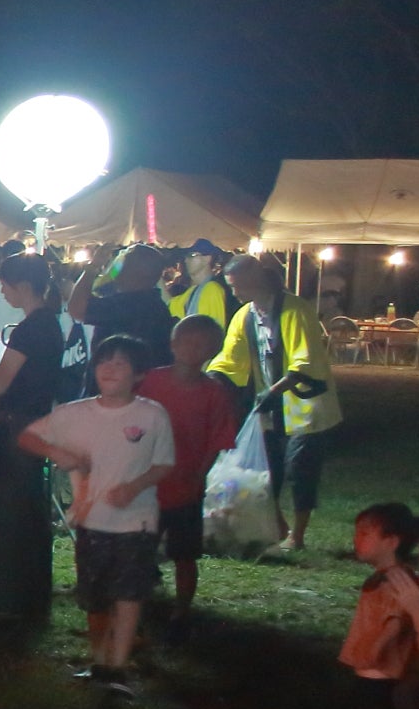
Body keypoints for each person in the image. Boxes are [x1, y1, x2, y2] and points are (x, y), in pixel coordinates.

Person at [17, 336, 175, 694]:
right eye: (104, 361)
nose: (110, 369)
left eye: (121, 363)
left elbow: (164, 463)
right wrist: (58, 453)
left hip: (136, 522)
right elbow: (28, 437)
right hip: (91, 522)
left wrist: (133, 487)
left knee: (128, 595)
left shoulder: (151, 415)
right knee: (96, 598)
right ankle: (100, 662)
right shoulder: (75, 414)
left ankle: (118, 667)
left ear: (138, 374)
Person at [0, 253, 72, 631]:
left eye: (5, 285)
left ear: (22, 286)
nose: (2, 291)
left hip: (16, 431)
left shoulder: (29, 329)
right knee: (31, 515)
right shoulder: (51, 324)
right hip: (38, 427)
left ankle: (6, 599)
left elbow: (2, 384)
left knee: (9, 516)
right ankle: (32, 596)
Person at [207, 254, 341, 556]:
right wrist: (212, 377)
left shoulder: (296, 310)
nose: (234, 292)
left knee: (300, 468)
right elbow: (230, 357)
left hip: (306, 407)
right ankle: (280, 529)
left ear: (255, 281)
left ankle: (298, 534)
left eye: (237, 286)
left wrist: (274, 391)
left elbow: (305, 360)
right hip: (271, 407)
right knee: (268, 471)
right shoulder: (245, 315)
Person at [138, 315, 241, 636]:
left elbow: (217, 440)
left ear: (213, 351)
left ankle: (181, 609)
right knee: (139, 549)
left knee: (185, 554)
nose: (194, 351)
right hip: (147, 485)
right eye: (188, 343)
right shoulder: (150, 381)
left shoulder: (214, 393)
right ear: (173, 345)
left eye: (202, 346)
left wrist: (200, 475)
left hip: (185, 487)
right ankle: (135, 603)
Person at [326, 503, 419, 709]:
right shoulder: (383, 578)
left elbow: (396, 617)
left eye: (365, 534)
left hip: (381, 663)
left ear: (391, 542)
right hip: (370, 659)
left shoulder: (398, 579)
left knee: (374, 701)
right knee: (370, 701)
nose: (357, 540)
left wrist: (378, 646)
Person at [68, 243, 174, 366]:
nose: (117, 266)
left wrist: (93, 267)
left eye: (123, 262)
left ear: (136, 272)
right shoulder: (153, 305)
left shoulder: (131, 305)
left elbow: (78, 308)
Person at [165, 241, 234, 333]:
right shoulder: (193, 291)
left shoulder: (212, 290)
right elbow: (169, 305)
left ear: (207, 259)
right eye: (186, 256)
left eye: (192, 255)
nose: (186, 260)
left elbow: (212, 334)